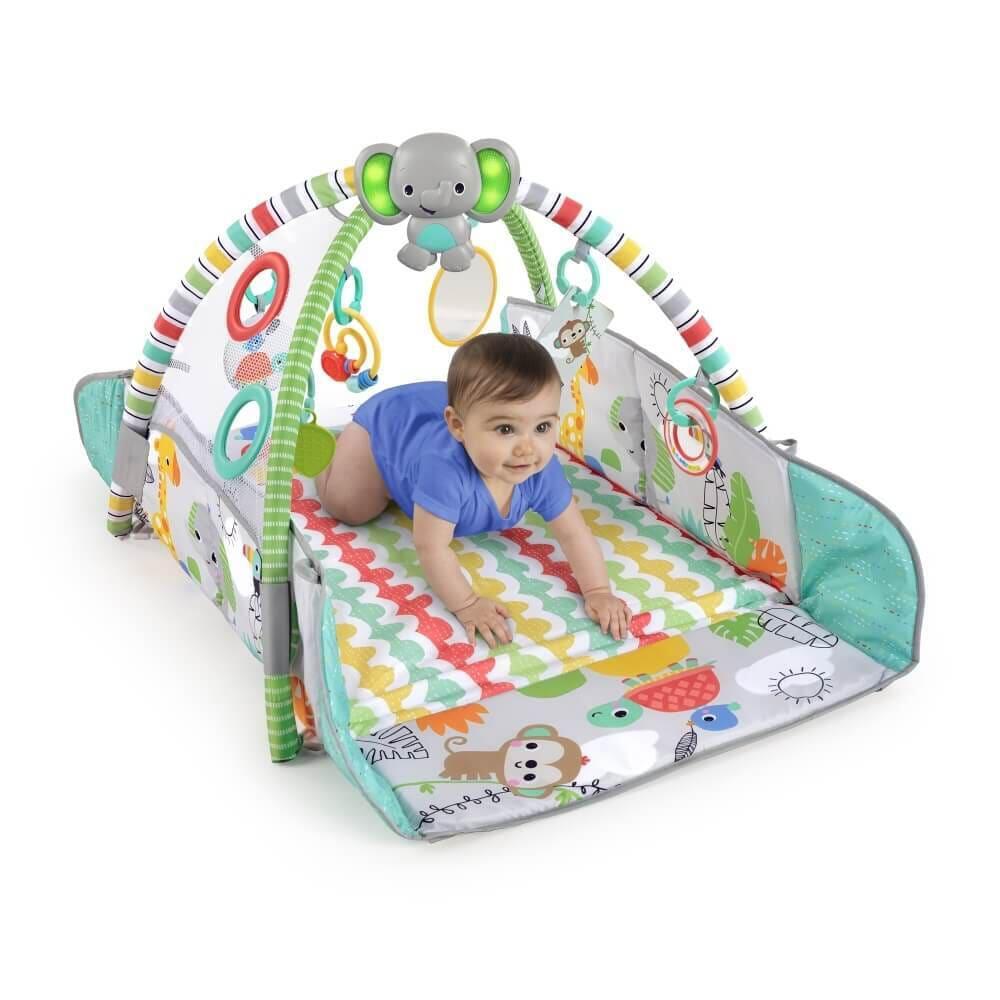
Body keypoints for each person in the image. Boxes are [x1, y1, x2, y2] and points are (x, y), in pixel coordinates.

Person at [315, 333, 632, 648]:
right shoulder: (445, 469)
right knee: (348, 506)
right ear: (458, 427)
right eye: (506, 429)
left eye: (542, 427)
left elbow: (574, 534)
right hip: (388, 423)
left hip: (439, 411)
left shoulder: (540, 469)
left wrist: (598, 591)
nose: (527, 447)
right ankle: (330, 449)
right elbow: (430, 546)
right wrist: (467, 604)